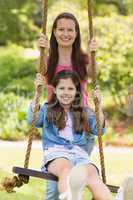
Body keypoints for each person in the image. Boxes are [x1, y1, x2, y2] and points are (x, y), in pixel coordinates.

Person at [27, 70, 127, 200]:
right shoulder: (47, 109)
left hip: (79, 155)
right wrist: (37, 93)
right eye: (62, 88)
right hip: (56, 153)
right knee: (66, 169)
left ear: (76, 91)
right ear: (55, 90)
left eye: (70, 88)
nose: (66, 92)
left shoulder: (85, 112)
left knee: (92, 173)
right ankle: (70, 196)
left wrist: (99, 106)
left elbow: (98, 130)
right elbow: (33, 120)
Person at [37, 12, 97, 199]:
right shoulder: (48, 59)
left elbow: (95, 74)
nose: (65, 33)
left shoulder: (83, 59)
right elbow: (39, 73)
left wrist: (94, 53)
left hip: (81, 124)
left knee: (81, 177)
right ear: (54, 32)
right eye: (61, 29)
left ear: (76, 33)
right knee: (54, 186)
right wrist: (43, 51)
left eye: (70, 29)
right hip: (56, 124)